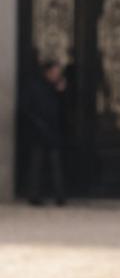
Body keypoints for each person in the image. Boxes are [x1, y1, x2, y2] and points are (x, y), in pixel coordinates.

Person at [20, 60, 67, 206]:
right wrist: (37, 125)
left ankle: (60, 196)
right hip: (38, 133)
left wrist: (61, 93)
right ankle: (34, 196)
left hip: (53, 132)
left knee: (56, 165)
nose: (57, 75)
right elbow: (27, 109)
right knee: (37, 165)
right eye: (55, 72)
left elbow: (63, 110)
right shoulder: (35, 87)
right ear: (47, 72)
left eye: (58, 73)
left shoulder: (57, 89)